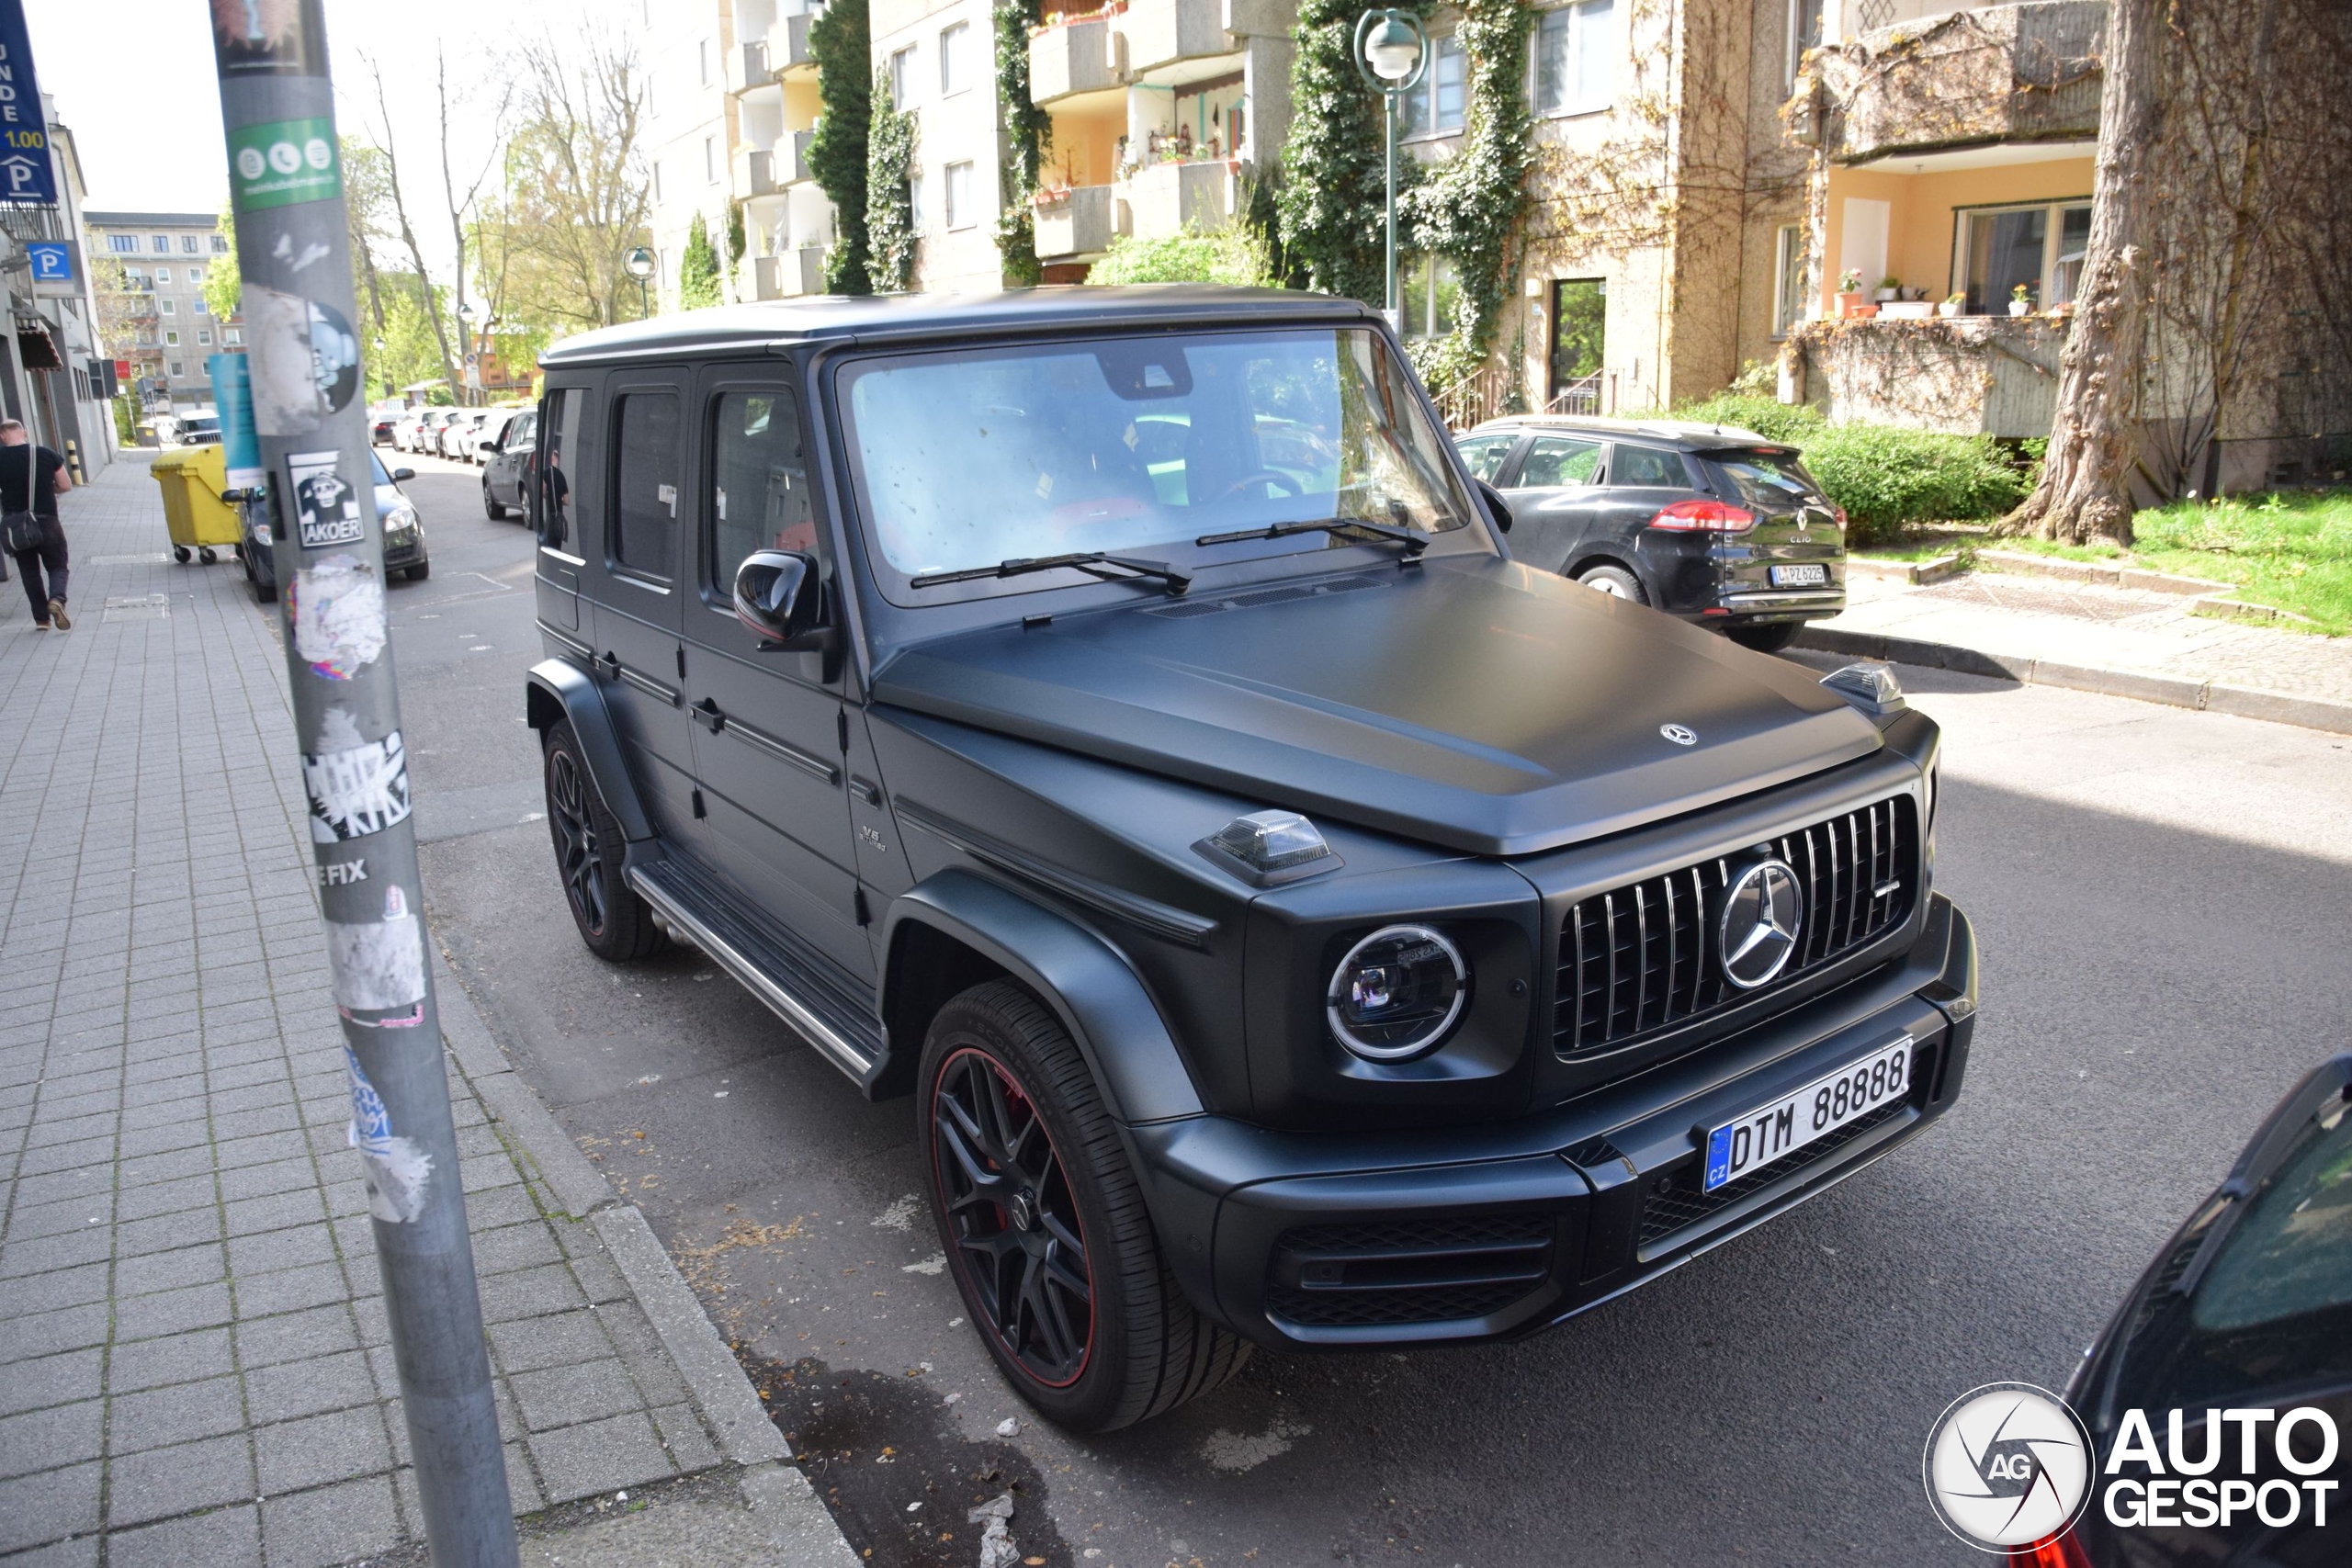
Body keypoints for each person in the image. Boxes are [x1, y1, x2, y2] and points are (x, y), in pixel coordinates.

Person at [0, 420, 73, 630]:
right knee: (57, 565)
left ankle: (42, 620)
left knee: (29, 572)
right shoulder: (45, 454)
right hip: (47, 521)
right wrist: (49, 490)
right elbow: (65, 485)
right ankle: (57, 599)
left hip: (16, 526)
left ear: (2, 437)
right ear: (25, 432)